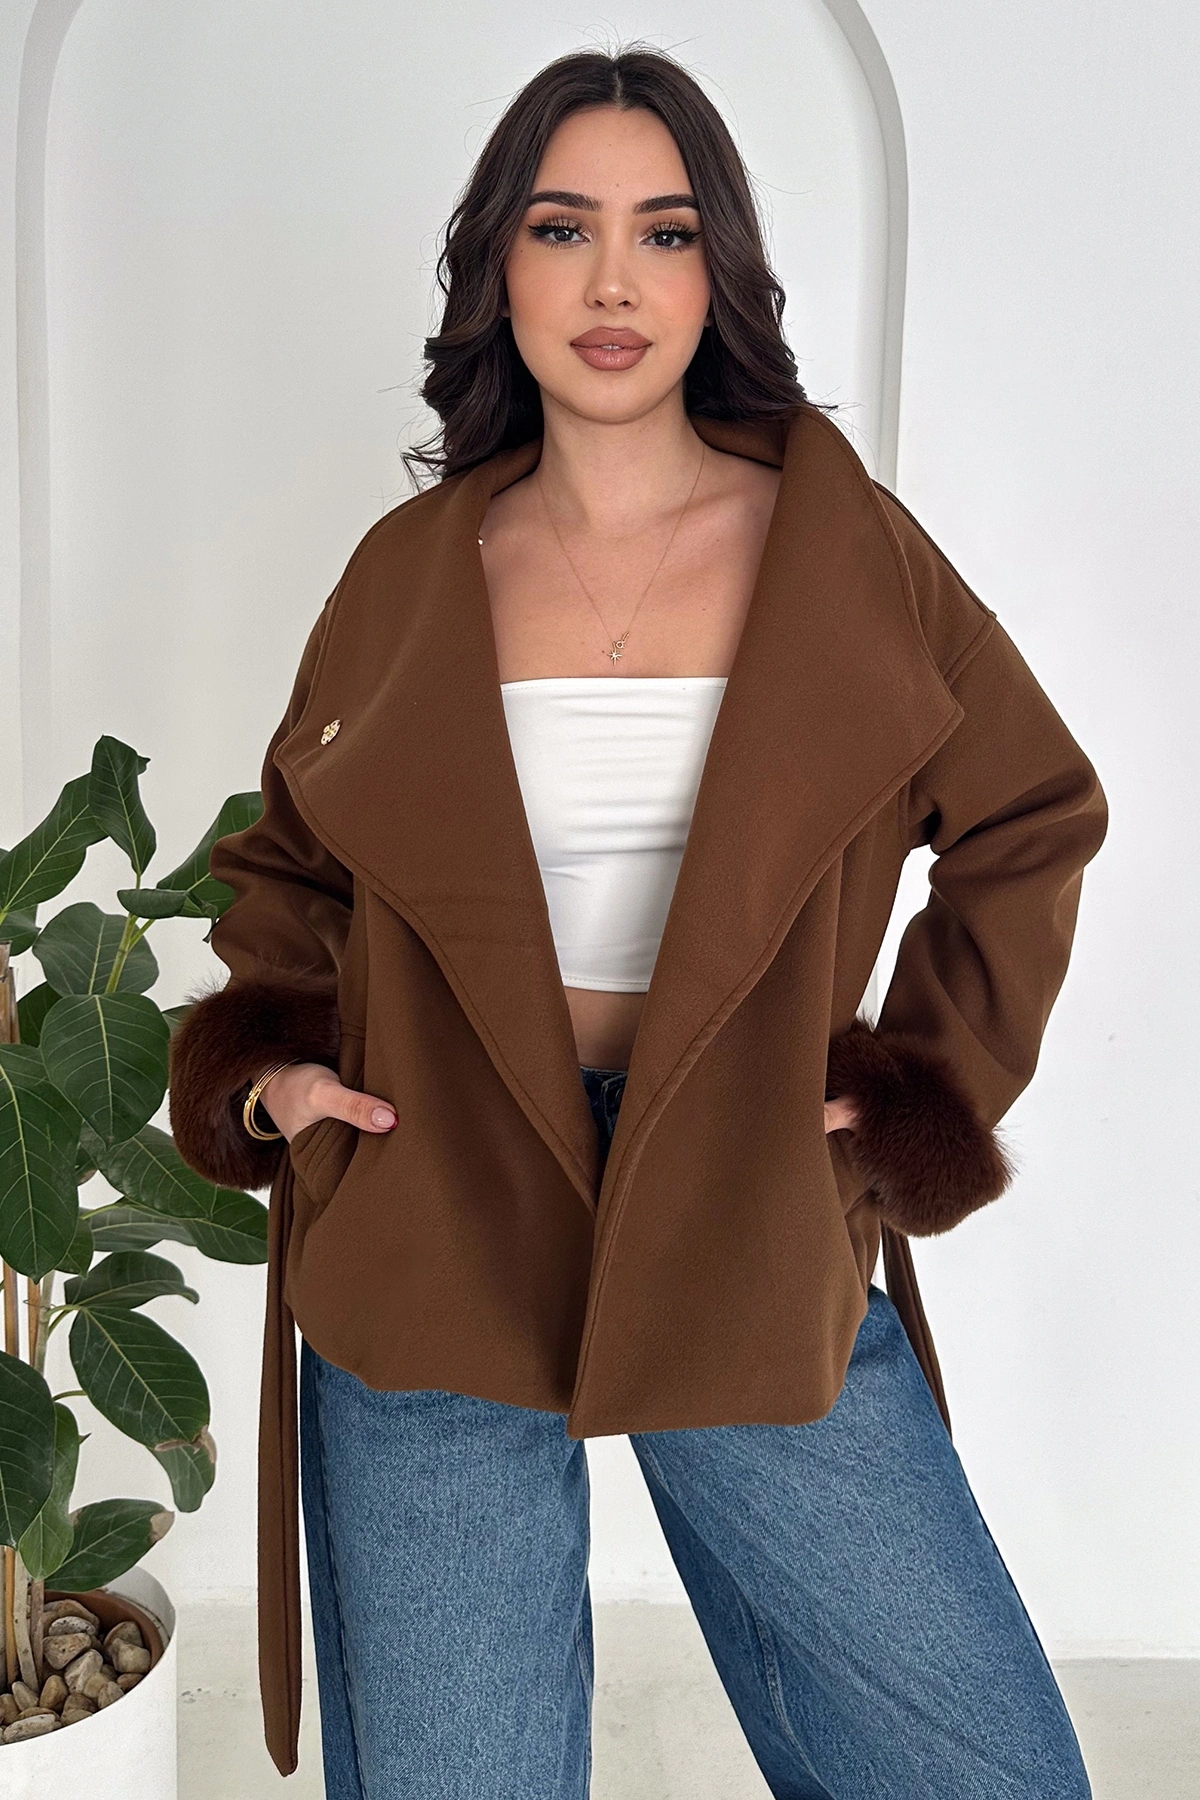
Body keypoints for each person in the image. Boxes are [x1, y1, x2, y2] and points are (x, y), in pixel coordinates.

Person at [168, 44, 1108, 1798]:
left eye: (664, 233)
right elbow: (288, 866)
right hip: (436, 1199)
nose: (613, 282)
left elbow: (1031, 814)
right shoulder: (407, 572)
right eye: (563, 227)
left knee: (982, 1770)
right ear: (498, 268)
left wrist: (915, 1087)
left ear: (718, 271)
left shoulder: (844, 548)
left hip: (745, 1196)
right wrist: (276, 1076)